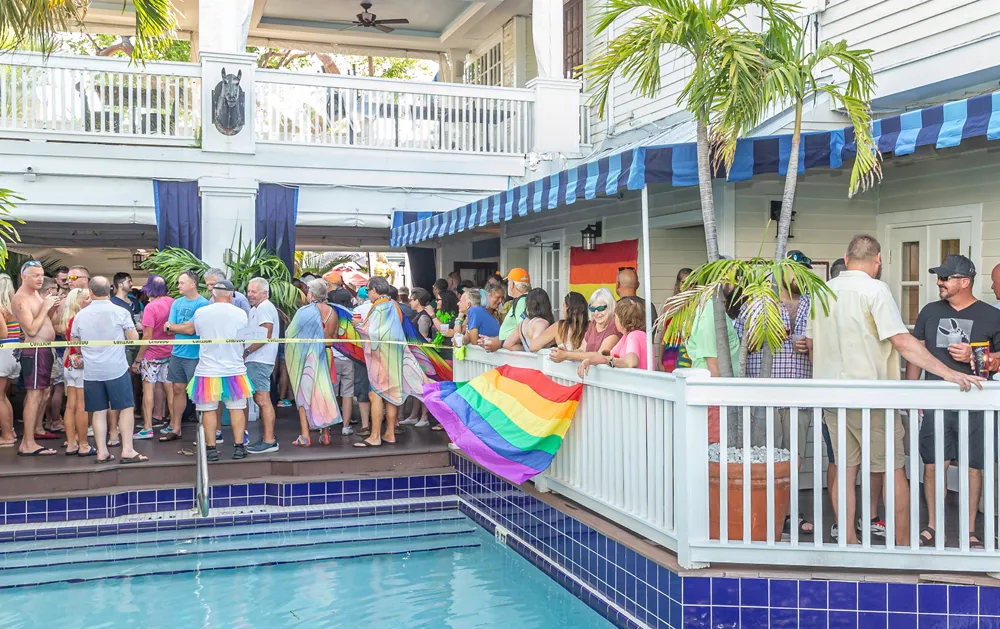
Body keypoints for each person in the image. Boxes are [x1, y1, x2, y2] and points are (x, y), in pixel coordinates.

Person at [807, 234, 982, 546]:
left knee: (845, 471)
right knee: (893, 470)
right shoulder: (875, 290)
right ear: (877, 261)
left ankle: (848, 542)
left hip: (832, 397)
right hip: (873, 399)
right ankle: (902, 545)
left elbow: (811, 344)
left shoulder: (822, 291)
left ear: (846, 260)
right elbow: (902, 342)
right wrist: (950, 373)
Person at [906, 254, 1000, 549]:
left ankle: (969, 531)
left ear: (965, 282)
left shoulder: (991, 315)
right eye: (939, 277)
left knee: (973, 467)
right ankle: (933, 527)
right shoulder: (929, 311)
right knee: (934, 465)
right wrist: (910, 393)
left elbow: (999, 357)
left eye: (946, 278)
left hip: (976, 404)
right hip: (935, 402)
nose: (940, 282)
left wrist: (977, 355)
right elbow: (916, 355)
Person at [734, 250, 816, 537]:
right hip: (765, 395)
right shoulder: (759, 302)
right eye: (795, 269)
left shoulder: (814, 303)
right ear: (781, 272)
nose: (800, 275)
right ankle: (763, 513)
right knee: (765, 456)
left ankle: (788, 514)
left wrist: (811, 346)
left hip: (799, 393)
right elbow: (738, 346)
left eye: (804, 270)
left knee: (794, 458)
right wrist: (764, 337)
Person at [72, 276, 147, 464]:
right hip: (116, 368)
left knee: (98, 411)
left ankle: (102, 452)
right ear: (110, 290)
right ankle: (127, 449)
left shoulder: (80, 315)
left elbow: (76, 346)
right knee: (126, 408)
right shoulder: (120, 312)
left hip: (92, 371)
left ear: (90, 292)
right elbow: (133, 339)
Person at [354, 276, 429, 448]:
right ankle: (389, 433)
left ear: (374, 290)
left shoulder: (380, 307)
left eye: (368, 290)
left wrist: (359, 325)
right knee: (392, 396)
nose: (368, 293)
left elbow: (375, 333)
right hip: (393, 358)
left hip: (381, 360)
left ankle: (375, 436)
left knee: (375, 395)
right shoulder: (392, 305)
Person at [186, 279, 253, 461]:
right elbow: (245, 335)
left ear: (213, 294)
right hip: (234, 368)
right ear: (231, 295)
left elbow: (197, 332)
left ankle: (211, 449)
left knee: (208, 410)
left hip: (208, 369)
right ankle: (239, 447)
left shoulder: (201, 313)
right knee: (237, 408)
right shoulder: (240, 313)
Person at [286, 279, 342, 447]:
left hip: (308, 357)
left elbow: (291, 334)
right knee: (324, 393)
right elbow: (335, 335)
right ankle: (325, 434)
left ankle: (305, 435)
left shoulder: (305, 312)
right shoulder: (332, 312)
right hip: (327, 354)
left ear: (311, 294)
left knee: (303, 394)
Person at [13, 260, 61, 456]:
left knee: (40, 395)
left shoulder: (35, 295)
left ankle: (30, 439)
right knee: (34, 397)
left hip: (44, 350)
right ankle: (27, 443)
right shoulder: (21, 298)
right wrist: (45, 306)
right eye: (36, 275)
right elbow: (32, 330)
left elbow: (49, 322)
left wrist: (51, 307)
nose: (40, 279)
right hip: (35, 351)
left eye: (41, 275)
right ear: (24, 277)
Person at [161, 270, 209, 442]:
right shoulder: (177, 303)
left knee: (198, 393)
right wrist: (178, 327)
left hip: (195, 355)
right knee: (177, 389)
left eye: (182, 282)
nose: (178, 286)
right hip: (177, 353)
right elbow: (167, 328)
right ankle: (176, 428)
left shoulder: (203, 304)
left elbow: (191, 329)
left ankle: (205, 431)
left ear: (192, 284)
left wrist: (175, 327)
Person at [129, 275, 174, 440]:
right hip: (170, 352)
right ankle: (173, 425)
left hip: (152, 355)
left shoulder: (150, 307)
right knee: (170, 390)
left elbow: (147, 336)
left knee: (148, 389)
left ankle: (147, 427)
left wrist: (138, 359)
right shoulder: (173, 302)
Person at [245, 278, 281, 454]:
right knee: (260, 399)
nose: (250, 294)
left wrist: (246, 351)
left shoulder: (265, 307)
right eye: (249, 291)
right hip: (256, 359)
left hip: (260, 359)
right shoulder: (256, 309)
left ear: (265, 293)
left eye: (254, 291)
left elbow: (265, 334)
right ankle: (267, 439)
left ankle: (269, 440)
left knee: (262, 399)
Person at [58, 288, 93, 455]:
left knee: (70, 405)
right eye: (86, 298)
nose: (90, 301)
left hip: (69, 364)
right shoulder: (81, 318)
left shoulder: (69, 318)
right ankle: (83, 444)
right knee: (81, 406)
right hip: (80, 364)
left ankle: (72, 443)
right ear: (78, 302)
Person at [578, 296, 649, 375]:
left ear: (622, 319)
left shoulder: (634, 335)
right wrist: (590, 360)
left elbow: (631, 362)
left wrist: (610, 361)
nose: (614, 320)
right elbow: (607, 356)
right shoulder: (626, 336)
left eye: (615, 316)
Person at [550, 288, 621, 365]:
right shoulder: (593, 324)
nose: (596, 313)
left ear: (610, 307)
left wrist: (566, 355)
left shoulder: (615, 326)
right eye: (592, 309)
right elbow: (582, 350)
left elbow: (600, 355)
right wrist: (566, 352)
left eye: (600, 308)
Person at [480, 268, 530, 352]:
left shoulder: (521, 302)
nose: (508, 286)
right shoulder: (521, 301)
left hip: (514, 355)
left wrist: (500, 343)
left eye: (508, 282)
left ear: (512, 284)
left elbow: (523, 330)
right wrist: (495, 340)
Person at [659, 268, 693, 372]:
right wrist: (659, 361)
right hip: (670, 352)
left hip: (688, 352)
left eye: (691, 283)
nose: (687, 286)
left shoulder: (696, 305)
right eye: (684, 282)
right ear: (678, 284)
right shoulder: (669, 305)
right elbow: (664, 334)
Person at [0, 274, 19, 447]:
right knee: (3, 396)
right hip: (15, 352)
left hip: (3, 352)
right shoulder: (15, 307)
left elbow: (3, 333)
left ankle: (6, 435)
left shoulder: (1, 309)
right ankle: (10, 431)